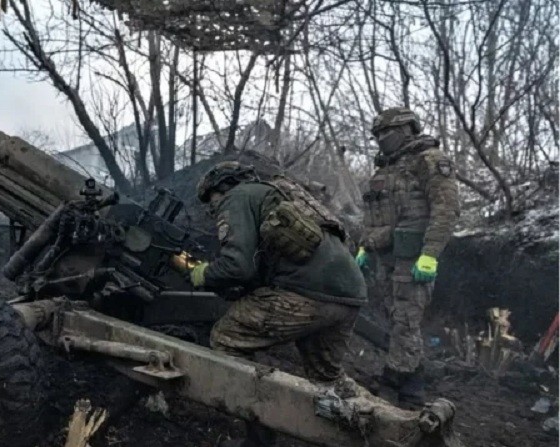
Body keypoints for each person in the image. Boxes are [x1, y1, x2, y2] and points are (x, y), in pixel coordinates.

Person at [189, 161, 368, 447]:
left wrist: (203, 273)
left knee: (227, 338)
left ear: (222, 187)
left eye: (211, 202)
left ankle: (260, 436)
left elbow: (238, 266)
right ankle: (379, 425)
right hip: (349, 294)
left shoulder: (237, 197)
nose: (212, 210)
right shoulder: (280, 193)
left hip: (307, 293)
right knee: (327, 379)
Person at [355, 107, 459, 409]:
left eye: (387, 132)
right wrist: (364, 247)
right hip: (386, 260)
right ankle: (411, 390)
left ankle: (394, 387)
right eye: (377, 134)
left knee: (405, 322)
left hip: (413, 261)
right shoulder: (385, 170)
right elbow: (374, 215)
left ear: (407, 129)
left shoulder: (429, 161)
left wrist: (429, 256)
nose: (381, 139)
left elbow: (446, 210)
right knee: (397, 321)